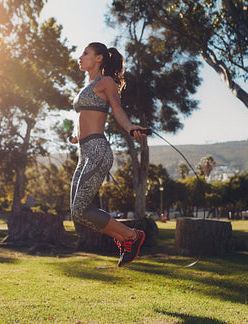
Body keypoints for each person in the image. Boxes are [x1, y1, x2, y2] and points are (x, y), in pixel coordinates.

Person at [69, 42, 148, 267]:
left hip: (97, 151)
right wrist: (75, 136)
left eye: (86, 53)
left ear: (99, 58)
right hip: (83, 153)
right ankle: (126, 238)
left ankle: (133, 236)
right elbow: (85, 117)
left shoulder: (106, 82)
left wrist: (131, 128)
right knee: (77, 212)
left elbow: (117, 109)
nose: (80, 57)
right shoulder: (88, 85)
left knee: (81, 208)